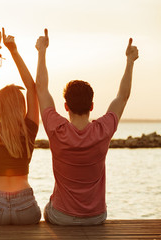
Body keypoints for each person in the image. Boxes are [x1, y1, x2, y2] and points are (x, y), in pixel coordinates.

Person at [35, 29, 139, 225]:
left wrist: (41, 51)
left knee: (47, 208)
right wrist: (130, 61)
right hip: (96, 217)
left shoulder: (57, 129)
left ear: (66, 106)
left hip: (61, 217)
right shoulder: (103, 130)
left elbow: (41, 88)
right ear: (92, 106)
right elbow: (122, 97)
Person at [0, 20, 41, 225]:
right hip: (26, 207)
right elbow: (32, 88)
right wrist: (13, 50)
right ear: (21, 106)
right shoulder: (30, 129)